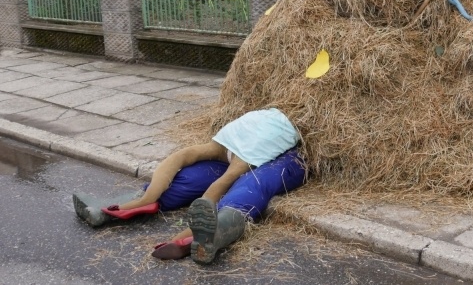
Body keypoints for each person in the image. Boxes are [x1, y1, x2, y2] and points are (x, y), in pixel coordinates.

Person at [73, 108, 306, 263]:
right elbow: (211, 179)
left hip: (286, 150)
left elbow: (186, 159)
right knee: (205, 178)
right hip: (253, 140)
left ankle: (206, 233)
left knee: (251, 183)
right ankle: (132, 207)